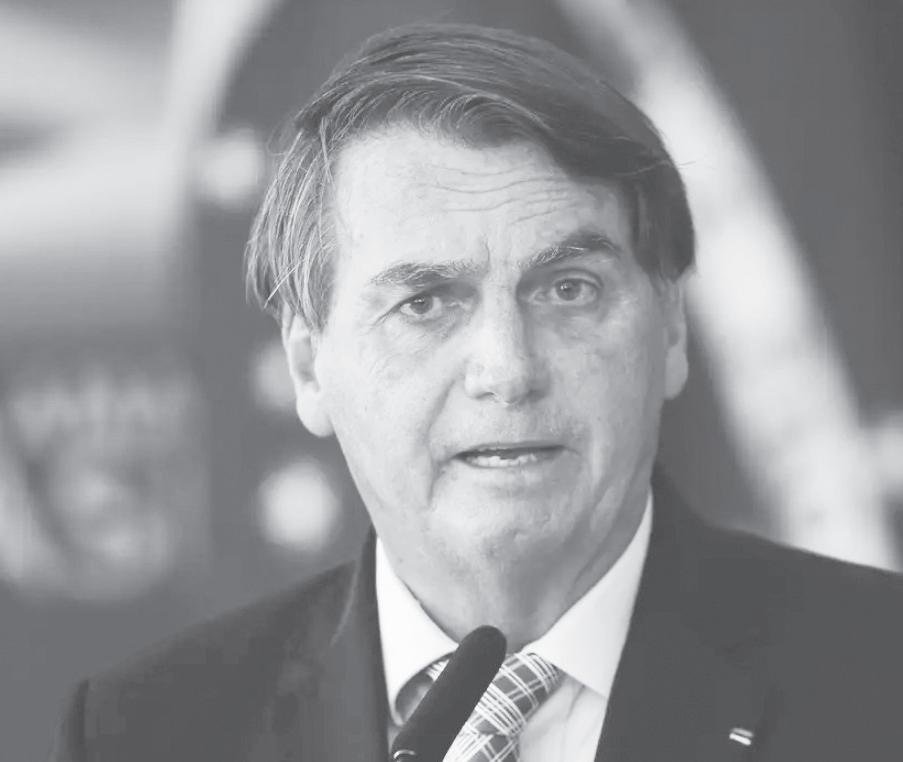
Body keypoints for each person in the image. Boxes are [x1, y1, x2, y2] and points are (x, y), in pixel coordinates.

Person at [53, 23, 903, 762]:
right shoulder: (147, 732)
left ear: (672, 330)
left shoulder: (881, 677)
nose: (507, 368)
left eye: (567, 289)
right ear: (307, 368)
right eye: (425, 303)